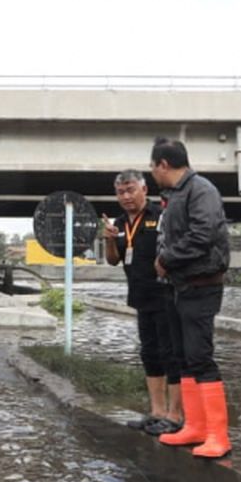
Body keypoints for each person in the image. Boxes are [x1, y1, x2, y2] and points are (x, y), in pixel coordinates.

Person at [150, 138, 232, 459]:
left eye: (153, 167)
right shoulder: (175, 195)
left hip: (201, 284)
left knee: (200, 355)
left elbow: (203, 235)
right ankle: (195, 427)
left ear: (163, 165)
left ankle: (218, 435)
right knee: (183, 356)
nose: (152, 173)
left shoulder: (201, 190)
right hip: (180, 285)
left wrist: (167, 259)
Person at [102, 169, 183, 435]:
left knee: (171, 354)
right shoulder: (119, 222)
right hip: (140, 296)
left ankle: (175, 415)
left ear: (144, 190)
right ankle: (156, 412)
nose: (125, 196)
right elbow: (113, 260)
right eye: (121, 192)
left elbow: (176, 248)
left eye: (130, 190)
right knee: (149, 354)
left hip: (166, 295)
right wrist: (110, 240)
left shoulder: (160, 216)